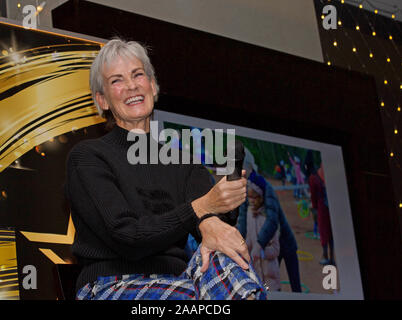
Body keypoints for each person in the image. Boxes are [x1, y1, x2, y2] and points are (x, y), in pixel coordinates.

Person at [64, 38, 266, 300]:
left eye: (138, 75)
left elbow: (213, 224)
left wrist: (226, 202)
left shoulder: (184, 163)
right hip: (110, 285)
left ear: (153, 86)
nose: (131, 85)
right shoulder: (88, 157)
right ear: (102, 101)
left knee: (225, 258)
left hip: (180, 280)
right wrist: (202, 207)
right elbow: (127, 238)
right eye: (117, 80)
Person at [248, 171, 302, 292]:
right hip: (271, 247)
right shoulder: (253, 213)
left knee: (294, 283)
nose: (250, 200)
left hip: (286, 244)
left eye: (253, 197)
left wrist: (259, 248)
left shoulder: (268, 205)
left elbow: (272, 224)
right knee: (271, 278)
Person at [246, 174, 281, 291]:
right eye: (249, 197)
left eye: (254, 197)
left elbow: (276, 250)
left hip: (270, 277)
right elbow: (249, 240)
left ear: (261, 197)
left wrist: (261, 252)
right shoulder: (249, 214)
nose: (251, 201)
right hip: (256, 276)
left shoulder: (268, 219)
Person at [308, 161, 334, 265]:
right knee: (330, 233)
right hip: (330, 209)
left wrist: (314, 208)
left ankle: (326, 257)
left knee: (324, 232)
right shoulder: (327, 174)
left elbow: (313, 197)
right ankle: (331, 257)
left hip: (322, 209)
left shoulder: (313, 178)